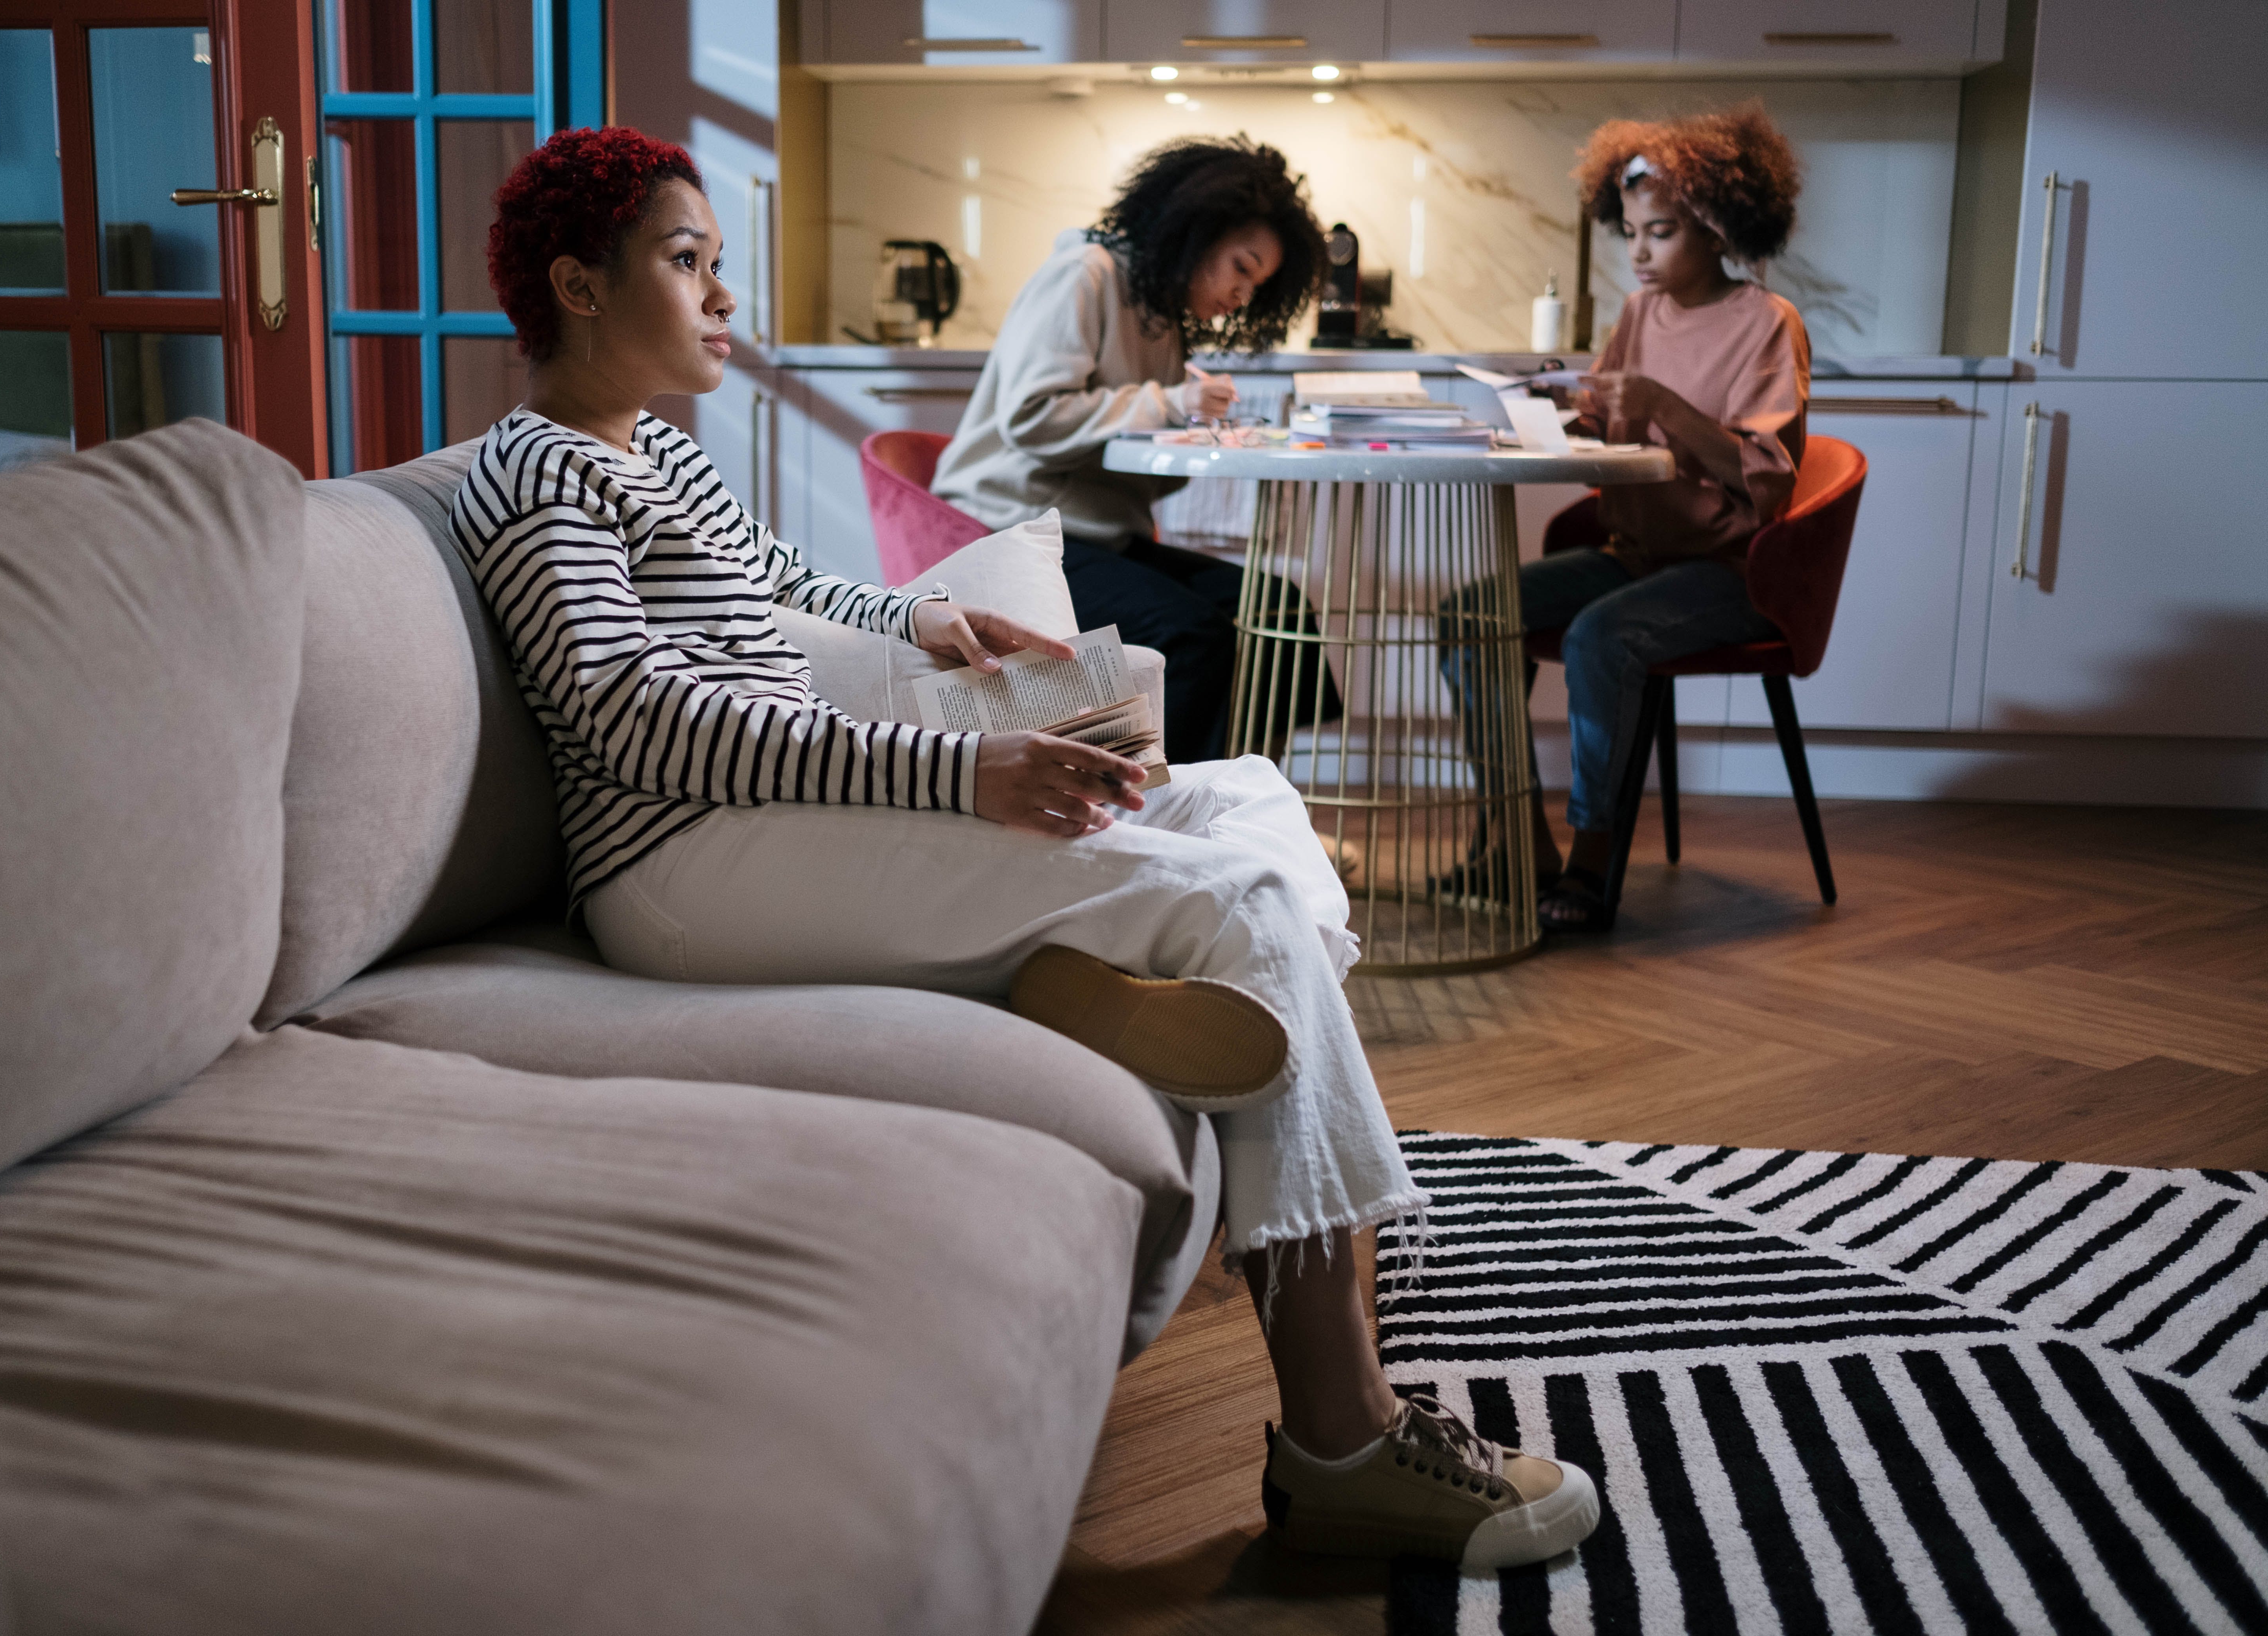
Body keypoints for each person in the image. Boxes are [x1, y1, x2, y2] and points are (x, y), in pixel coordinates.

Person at [453, 125, 1601, 1567]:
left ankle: (1165, 1019)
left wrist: (919, 620)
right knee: (1243, 903)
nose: (723, 296)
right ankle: (1342, 1437)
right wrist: (958, 772)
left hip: (768, 827)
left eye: (718, 264)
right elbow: (634, 723)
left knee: (1248, 796)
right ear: (574, 285)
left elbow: (789, 588)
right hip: (688, 868)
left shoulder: (653, 460)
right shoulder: (544, 475)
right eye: (688, 264)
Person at [1449, 105, 1809, 931]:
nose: (1640, 253)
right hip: (1633, 552)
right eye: (1633, 232)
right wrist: (1555, 409)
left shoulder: (1767, 324)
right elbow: (1608, 427)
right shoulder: (1641, 315)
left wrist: (1661, 406)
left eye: (1664, 232)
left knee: (1598, 638)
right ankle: (1515, 835)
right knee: (1469, 614)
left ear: (1720, 227)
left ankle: (1593, 857)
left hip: (1730, 573)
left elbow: (1767, 483)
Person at [931, 138, 1336, 765]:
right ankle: (1164, 821)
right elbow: (1032, 419)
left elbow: (1129, 453)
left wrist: (1191, 433)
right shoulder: (1085, 274)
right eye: (1243, 267)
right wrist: (1170, 406)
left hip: (1089, 533)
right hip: (1010, 528)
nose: (1242, 296)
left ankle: (1242, 792)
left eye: (1257, 284)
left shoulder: (1160, 315)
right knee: (1192, 633)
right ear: (1198, 234)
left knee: (1276, 608)